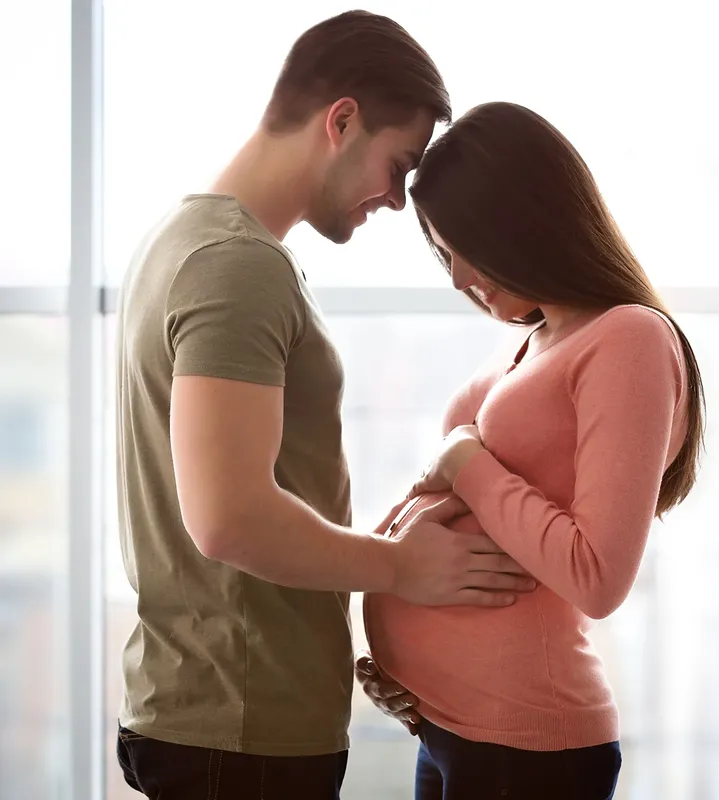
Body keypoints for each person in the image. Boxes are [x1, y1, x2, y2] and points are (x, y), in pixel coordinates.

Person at [114, 15, 536, 800]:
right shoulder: (237, 265)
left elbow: (247, 493)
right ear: (341, 121)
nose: (399, 198)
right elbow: (228, 517)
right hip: (239, 734)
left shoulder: (188, 241)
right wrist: (401, 568)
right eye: (398, 164)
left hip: (220, 720)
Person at [357, 101, 706, 800]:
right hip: (450, 727)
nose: (456, 277)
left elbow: (596, 575)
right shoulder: (532, 339)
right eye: (440, 251)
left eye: (464, 247)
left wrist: (465, 460)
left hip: (524, 747)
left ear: (522, 223)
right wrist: (394, 634)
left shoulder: (628, 337)